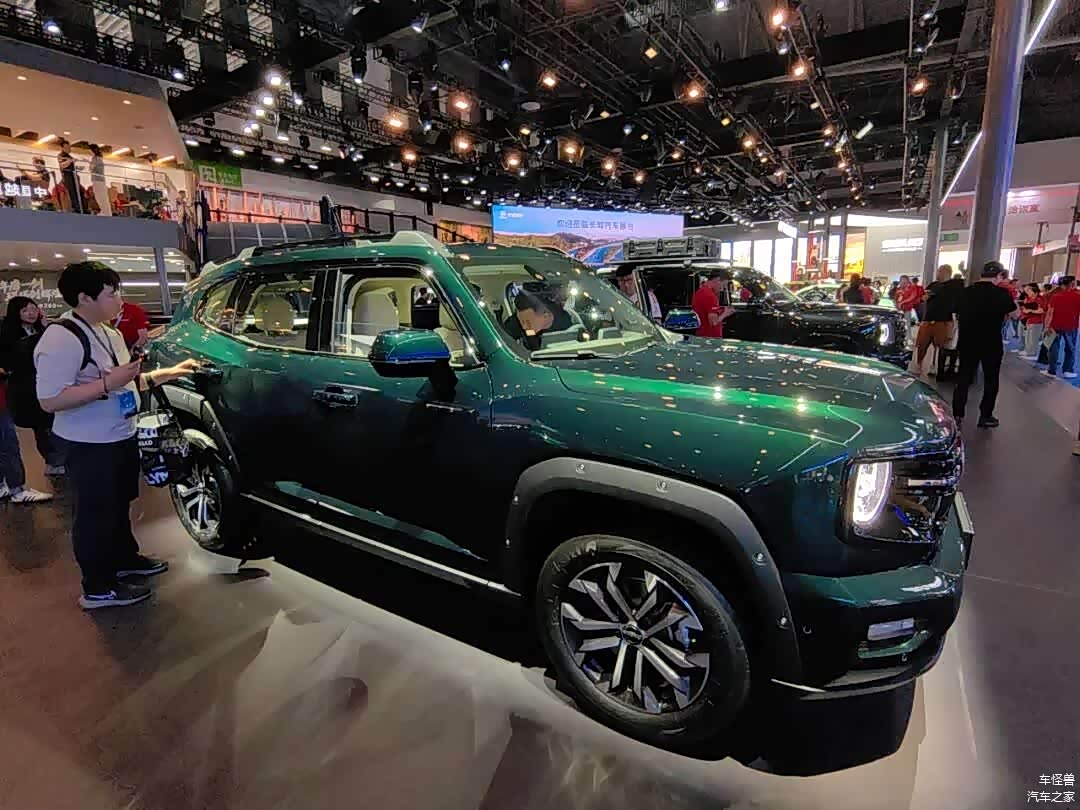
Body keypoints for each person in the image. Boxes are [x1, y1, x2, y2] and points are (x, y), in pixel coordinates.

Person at [34, 262, 198, 609]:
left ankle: (123, 559)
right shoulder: (61, 338)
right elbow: (50, 400)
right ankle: (97, 587)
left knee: (119, 503)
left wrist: (170, 372)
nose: (119, 300)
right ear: (84, 297)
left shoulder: (107, 332)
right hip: (87, 442)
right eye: (112, 293)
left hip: (120, 433)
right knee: (94, 513)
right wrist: (108, 383)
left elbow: (128, 382)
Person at [0, 296, 65, 474]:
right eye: (25, 310)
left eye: (34, 309)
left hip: (47, 380)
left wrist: (45, 328)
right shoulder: (8, 334)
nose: (31, 313)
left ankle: (58, 459)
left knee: (52, 422)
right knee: (41, 424)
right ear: (16, 313)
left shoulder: (43, 328)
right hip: (26, 387)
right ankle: (53, 461)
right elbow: (13, 358)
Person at [951, 261, 1018, 428]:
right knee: (991, 380)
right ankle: (985, 416)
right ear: (999, 275)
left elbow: (955, 313)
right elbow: (1016, 314)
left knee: (963, 378)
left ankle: (957, 414)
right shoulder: (1001, 293)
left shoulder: (966, 292)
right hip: (991, 343)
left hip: (967, 341)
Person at [916, 264, 964, 373]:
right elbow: (923, 297)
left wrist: (962, 270)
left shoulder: (955, 285)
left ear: (945, 272)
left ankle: (936, 367)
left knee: (942, 345)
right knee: (922, 343)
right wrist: (925, 297)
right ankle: (919, 364)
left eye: (939, 271)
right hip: (928, 319)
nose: (937, 273)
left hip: (944, 320)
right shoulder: (933, 285)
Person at [501, 289, 573, 350]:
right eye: (522, 322)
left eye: (528, 322)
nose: (524, 326)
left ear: (545, 316)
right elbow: (504, 338)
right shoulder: (521, 319)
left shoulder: (564, 322)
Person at [1043, 276, 1080, 379]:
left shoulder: (1056, 297)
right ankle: (1068, 370)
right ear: (1072, 284)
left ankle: (1051, 370)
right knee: (1070, 349)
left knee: (1053, 348)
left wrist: (1046, 326)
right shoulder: (1078, 296)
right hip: (1071, 326)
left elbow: (1050, 313)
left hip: (1054, 326)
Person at [691, 269, 736, 338]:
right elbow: (713, 322)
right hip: (711, 338)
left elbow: (705, 312)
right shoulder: (710, 296)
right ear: (717, 280)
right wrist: (725, 313)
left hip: (701, 335)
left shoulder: (699, 292)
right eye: (723, 285)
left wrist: (720, 310)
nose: (722, 289)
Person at [57, 139, 84, 214]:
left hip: (73, 175)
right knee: (71, 191)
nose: (68, 149)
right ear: (62, 148)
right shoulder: (61, 155)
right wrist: (70, 161)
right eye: (66, 147)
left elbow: (71, 166)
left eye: (69, 147)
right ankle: (74, 208)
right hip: (67, 175)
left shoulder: (69, 156)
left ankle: (79, 207)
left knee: (77, 191)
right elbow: (62, 165)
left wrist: (78, 168)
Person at [1019, 283, 1045, 360]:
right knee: (1028, 337)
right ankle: (1028, 351)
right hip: (1029, 320)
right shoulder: (1029, 299)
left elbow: (1041, 310)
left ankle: (1032, 354)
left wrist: (1030, 310)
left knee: (1033, 338)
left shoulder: (1039, 300)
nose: (1028, 293)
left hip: (1036, 321)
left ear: (1035, 292)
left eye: (1030, 291)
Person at [89, 145, 110, 216]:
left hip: (98, 180)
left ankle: (106, 212)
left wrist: (88, 163)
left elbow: (91, 168)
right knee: (101, 196)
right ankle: (105, 211)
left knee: (100, 197)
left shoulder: (96, 158)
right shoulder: (98, 158)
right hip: (99, 180)